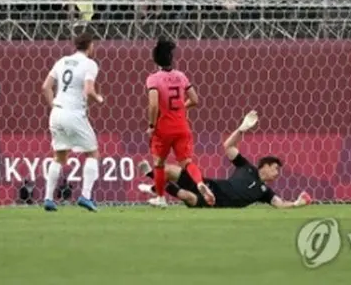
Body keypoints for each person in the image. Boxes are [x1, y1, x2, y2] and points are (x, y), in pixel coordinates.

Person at [137, 111, 312, 209]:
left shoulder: (265, 191)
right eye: (275, 168)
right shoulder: (246, 167)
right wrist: (241, 129)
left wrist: (296, 204)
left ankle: (153, 182)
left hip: (215, 203)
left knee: (186, 196)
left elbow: (279, 204)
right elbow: (228, 147)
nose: (277, 173)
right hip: (210, 186)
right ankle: (154, 180)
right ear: (264, 166)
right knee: (168, 170)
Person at [145, 39, 215, 208]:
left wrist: (152, 125)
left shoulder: (153, 79)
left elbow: (154, 104)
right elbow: (195, 100)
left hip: (163, 128)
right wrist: (181, 108)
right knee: (187, 162)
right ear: (171, 58)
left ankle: (161, 198)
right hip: (182, 126)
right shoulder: (181, 76)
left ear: (156, 60)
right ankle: (199, 182)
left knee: (159, 163)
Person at [41, 33, 104, 212]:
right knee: (92, 154)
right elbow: (89, 90)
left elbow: (45, 87)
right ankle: (85, 195)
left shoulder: (62, 61)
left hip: (57, 112)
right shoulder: (90, 64)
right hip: (74, 114)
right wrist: (98, 98)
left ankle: (48, 199)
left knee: (59, 156)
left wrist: (54, 104)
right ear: (90, 45)